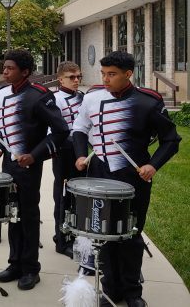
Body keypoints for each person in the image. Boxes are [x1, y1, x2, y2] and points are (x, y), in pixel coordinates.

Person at [72, 51, 180, 307]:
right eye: (103, 74)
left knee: (131, 234)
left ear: (128, 74)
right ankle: (111, 289)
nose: (105, 80)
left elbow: (171, 140)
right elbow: (80, 128)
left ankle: (132, 291)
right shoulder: (93, 99)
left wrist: (152, 166)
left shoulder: (148, 102)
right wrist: (80, 155)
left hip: (133, 179)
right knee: (105, 234)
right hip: (99, 174)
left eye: (112, 74)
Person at [0, 49, 69, 291]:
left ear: (25, 71)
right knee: (13, 214)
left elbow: (61, 131)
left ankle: (31, 268)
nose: (4, 71)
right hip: (9, 165)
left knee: (29, 216)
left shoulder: (40, 96)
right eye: (4, 66)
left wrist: (34, 156)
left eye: (9, 68)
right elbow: (6, 132)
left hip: (29, 166)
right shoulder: (2, 96)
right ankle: (15, 263)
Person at [52, 61, 85, 259]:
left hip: (80, 151)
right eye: (71, 77)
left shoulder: (83, 97)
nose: (76, 80)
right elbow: (50, 128)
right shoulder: (54, 99)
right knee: (62, 197)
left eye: (78, 77)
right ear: (60, 79)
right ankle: (61, 239)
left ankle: (73, 234)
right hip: (63, 151)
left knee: (77, 196)